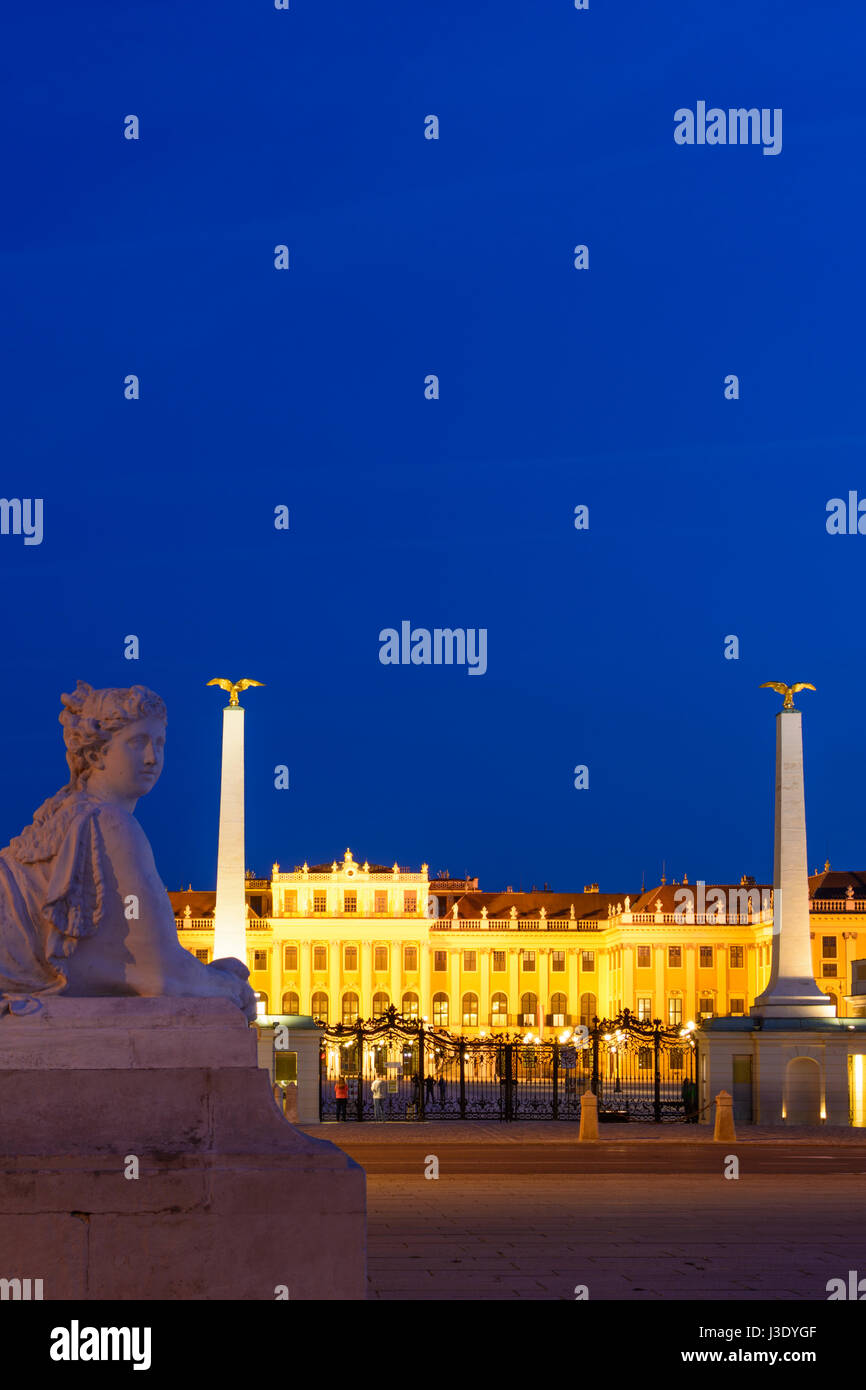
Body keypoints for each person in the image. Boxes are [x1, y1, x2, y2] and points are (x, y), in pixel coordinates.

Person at [0, 682, 256, 1019]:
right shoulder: (110, 824)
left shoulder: (69, 819)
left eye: (160, 743)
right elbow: (161, 977)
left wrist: (202, 973)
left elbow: (134, 962)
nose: (152, 757)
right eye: (138, 743)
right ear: (95, 754)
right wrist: (232, 987)